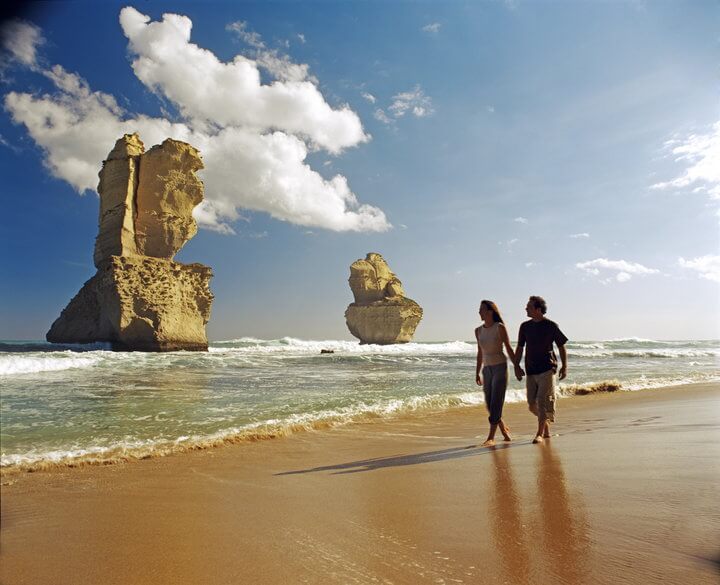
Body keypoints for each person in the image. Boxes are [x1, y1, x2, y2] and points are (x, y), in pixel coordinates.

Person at [514, 295, 568, 444]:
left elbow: (561, 345)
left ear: (538, 309)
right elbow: (519, 347)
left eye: (529, 307)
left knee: (542, 401)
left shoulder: (551, 325)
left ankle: (539, 434)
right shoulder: (525, 326)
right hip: (531, 369)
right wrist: (516, 365)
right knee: (531, 404)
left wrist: (564, 366)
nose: (526, 309)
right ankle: (546, 427)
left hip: (547, 368)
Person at [475, 300, 521, 447]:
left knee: (496, 402)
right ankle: (504, 430)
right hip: (487, 370)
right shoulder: (478, 331)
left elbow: (508, 348)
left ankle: (491, 437)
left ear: (490, 312)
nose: (479, 312)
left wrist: (517, 367)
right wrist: (477, 372)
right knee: (490, 405)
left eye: (481, 310)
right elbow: (480, 353)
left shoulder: (499, 328)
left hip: (500, 367)